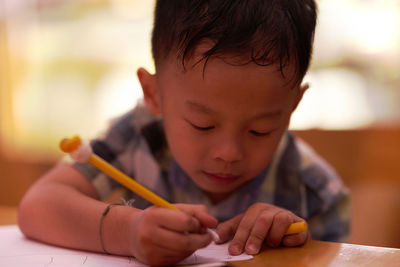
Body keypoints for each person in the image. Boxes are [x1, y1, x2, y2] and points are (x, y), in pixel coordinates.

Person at [18, 0, 350, 266]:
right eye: (202, 124)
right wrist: (127, 231)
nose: (228, 153)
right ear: (154, 95)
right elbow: (38, 206)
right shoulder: (138, 137)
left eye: (259, 130)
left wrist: (288, 240)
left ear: (293, 104)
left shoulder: (314, 193)